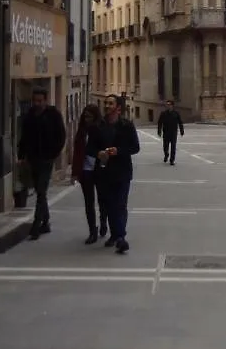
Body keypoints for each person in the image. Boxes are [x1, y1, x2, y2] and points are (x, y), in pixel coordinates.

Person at [87, 94, 139, 254]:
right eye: (106, 103)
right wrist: (99, 153)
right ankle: (115, 234)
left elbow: (135, 147)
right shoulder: (97, 127)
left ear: (118, 108)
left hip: (122, 171)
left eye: (110, 103)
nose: (107, 106)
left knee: (121, 205)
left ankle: (121, 237)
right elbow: (90, 148)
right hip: (104, 172)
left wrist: (119, 151)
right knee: (109, 206)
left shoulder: (127, 126)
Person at [17, 87, 66, 241]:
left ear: (45, 100)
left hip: (47, 158)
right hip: (33, 158)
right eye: (35, 101)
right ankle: (45, 221)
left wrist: (54, 154)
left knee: (41, 191)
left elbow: (61, 136)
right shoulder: (30, 115)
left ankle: (36, 226)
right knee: (39, 191)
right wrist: (22, 155)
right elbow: (24, 136)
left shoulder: (53, 115)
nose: (37, 103)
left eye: (40, 101)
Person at [71, 104, 108, 244]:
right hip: (85, 171)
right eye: (85, 117)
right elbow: (77, 153)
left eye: (90, 117)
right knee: (88, 202)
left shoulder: (101, 129)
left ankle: (104, 222)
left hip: (99, 170)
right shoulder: (81, 132)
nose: (87, 119)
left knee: (102, 199)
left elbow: (105, 149)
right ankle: (92, 230)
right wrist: (75, 173)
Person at [157, 99, 184, 165]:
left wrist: (181, 130)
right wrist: (159, 131)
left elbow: (180, 122)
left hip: (173, 133)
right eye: (167, 105)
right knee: (165, 146)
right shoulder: (163, 113)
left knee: (173, 147)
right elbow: (160, 123)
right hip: (166, 132)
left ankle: (172, 160)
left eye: (169, 105)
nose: (168, 106)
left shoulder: (176, 113)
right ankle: (166, 154)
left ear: (172, 105)